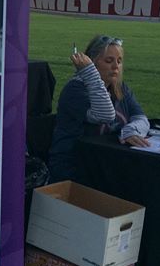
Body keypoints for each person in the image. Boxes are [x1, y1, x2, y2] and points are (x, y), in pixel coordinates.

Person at [46, 35, 150, 182]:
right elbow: (105, 115)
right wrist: (89, 72)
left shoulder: (120, 88)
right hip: (74, 167)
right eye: (109, 61)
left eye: (119, 61)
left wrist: (130, 131)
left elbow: (141, 118)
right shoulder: (75, 90)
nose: (116, 66)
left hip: (105, 163)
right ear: (92, 62)